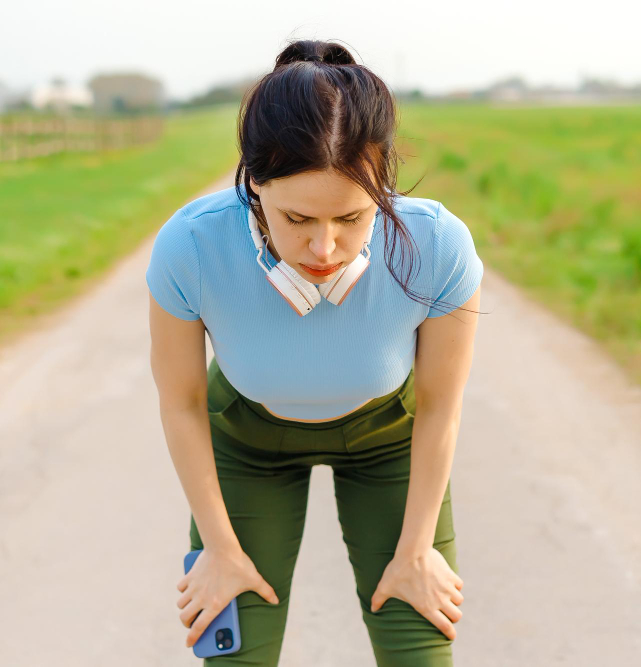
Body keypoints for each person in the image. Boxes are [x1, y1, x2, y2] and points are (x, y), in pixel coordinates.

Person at [146, 38, 484, 667]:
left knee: (422, 653)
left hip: (391, 444)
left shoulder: (438, 244)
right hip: (246, 446)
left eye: (353, 218)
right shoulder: (191, 245)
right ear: (253, 184)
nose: (325, 248)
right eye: (297, 218)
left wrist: (416, 552)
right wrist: (219, 549)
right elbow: (183, 404)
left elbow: (441, 405)